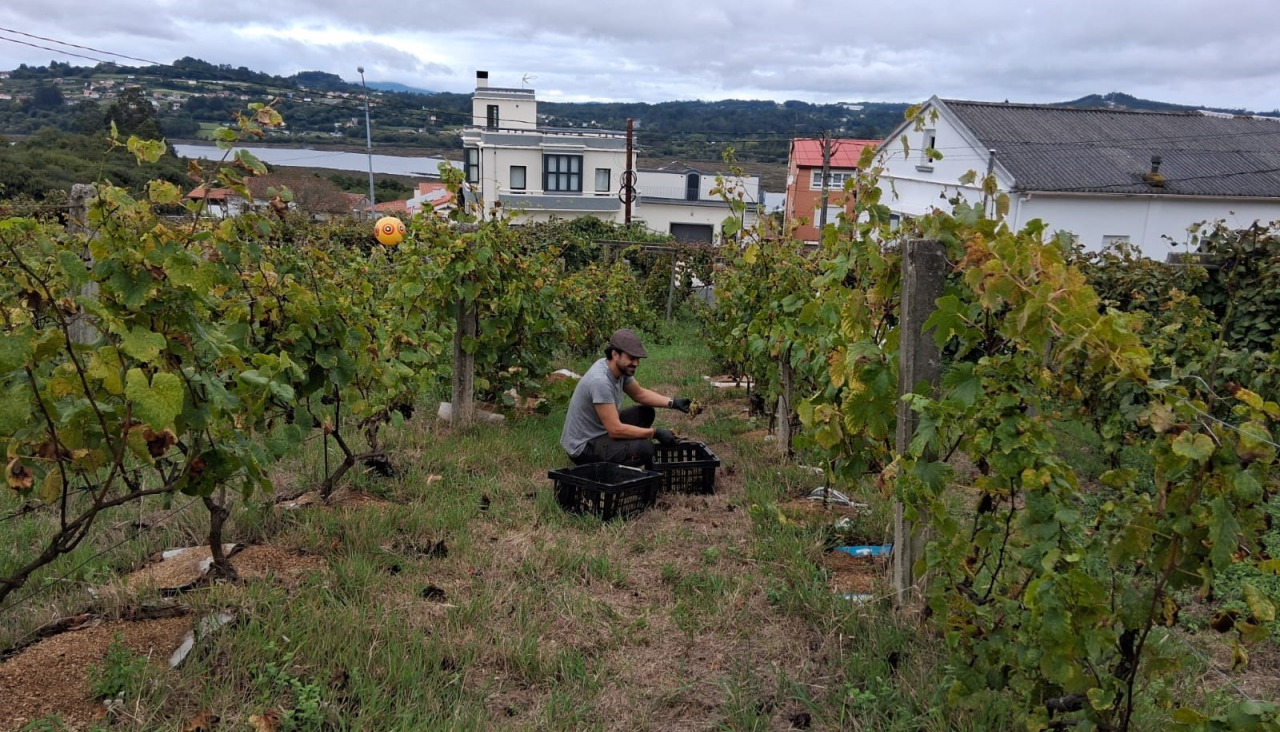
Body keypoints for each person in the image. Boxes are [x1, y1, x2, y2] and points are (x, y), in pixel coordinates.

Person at [560, 328, 692, 467]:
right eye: (631, 358)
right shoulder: (600, 381)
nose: (636, 363)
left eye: (637, 359)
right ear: (615, 354)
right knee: (645, 449)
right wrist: (655, 433)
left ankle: (621, 452)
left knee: (645, 413)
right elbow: (615, 429)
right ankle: (616, 474)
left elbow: (640, 394)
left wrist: (673, 402)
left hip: (600, 432)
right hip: (583, 447)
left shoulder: (617, 368)